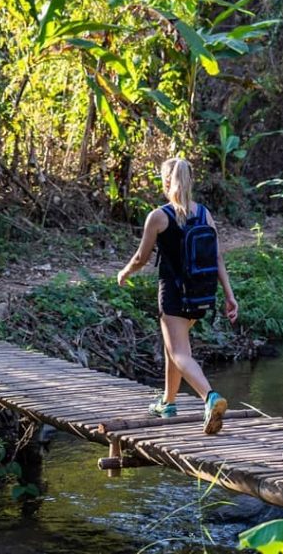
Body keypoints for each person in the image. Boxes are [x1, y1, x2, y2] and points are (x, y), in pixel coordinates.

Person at [117, 158, 239, 435]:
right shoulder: (204, 214)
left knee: (180, 352)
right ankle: (168, 402)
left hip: (173, 294)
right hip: (200, 295)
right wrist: (230, 296)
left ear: (166, 182)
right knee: (174, 347)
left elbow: (141, 257)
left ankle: (210, 397)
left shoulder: (159, 216)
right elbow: (218, 257)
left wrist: (124, 272)